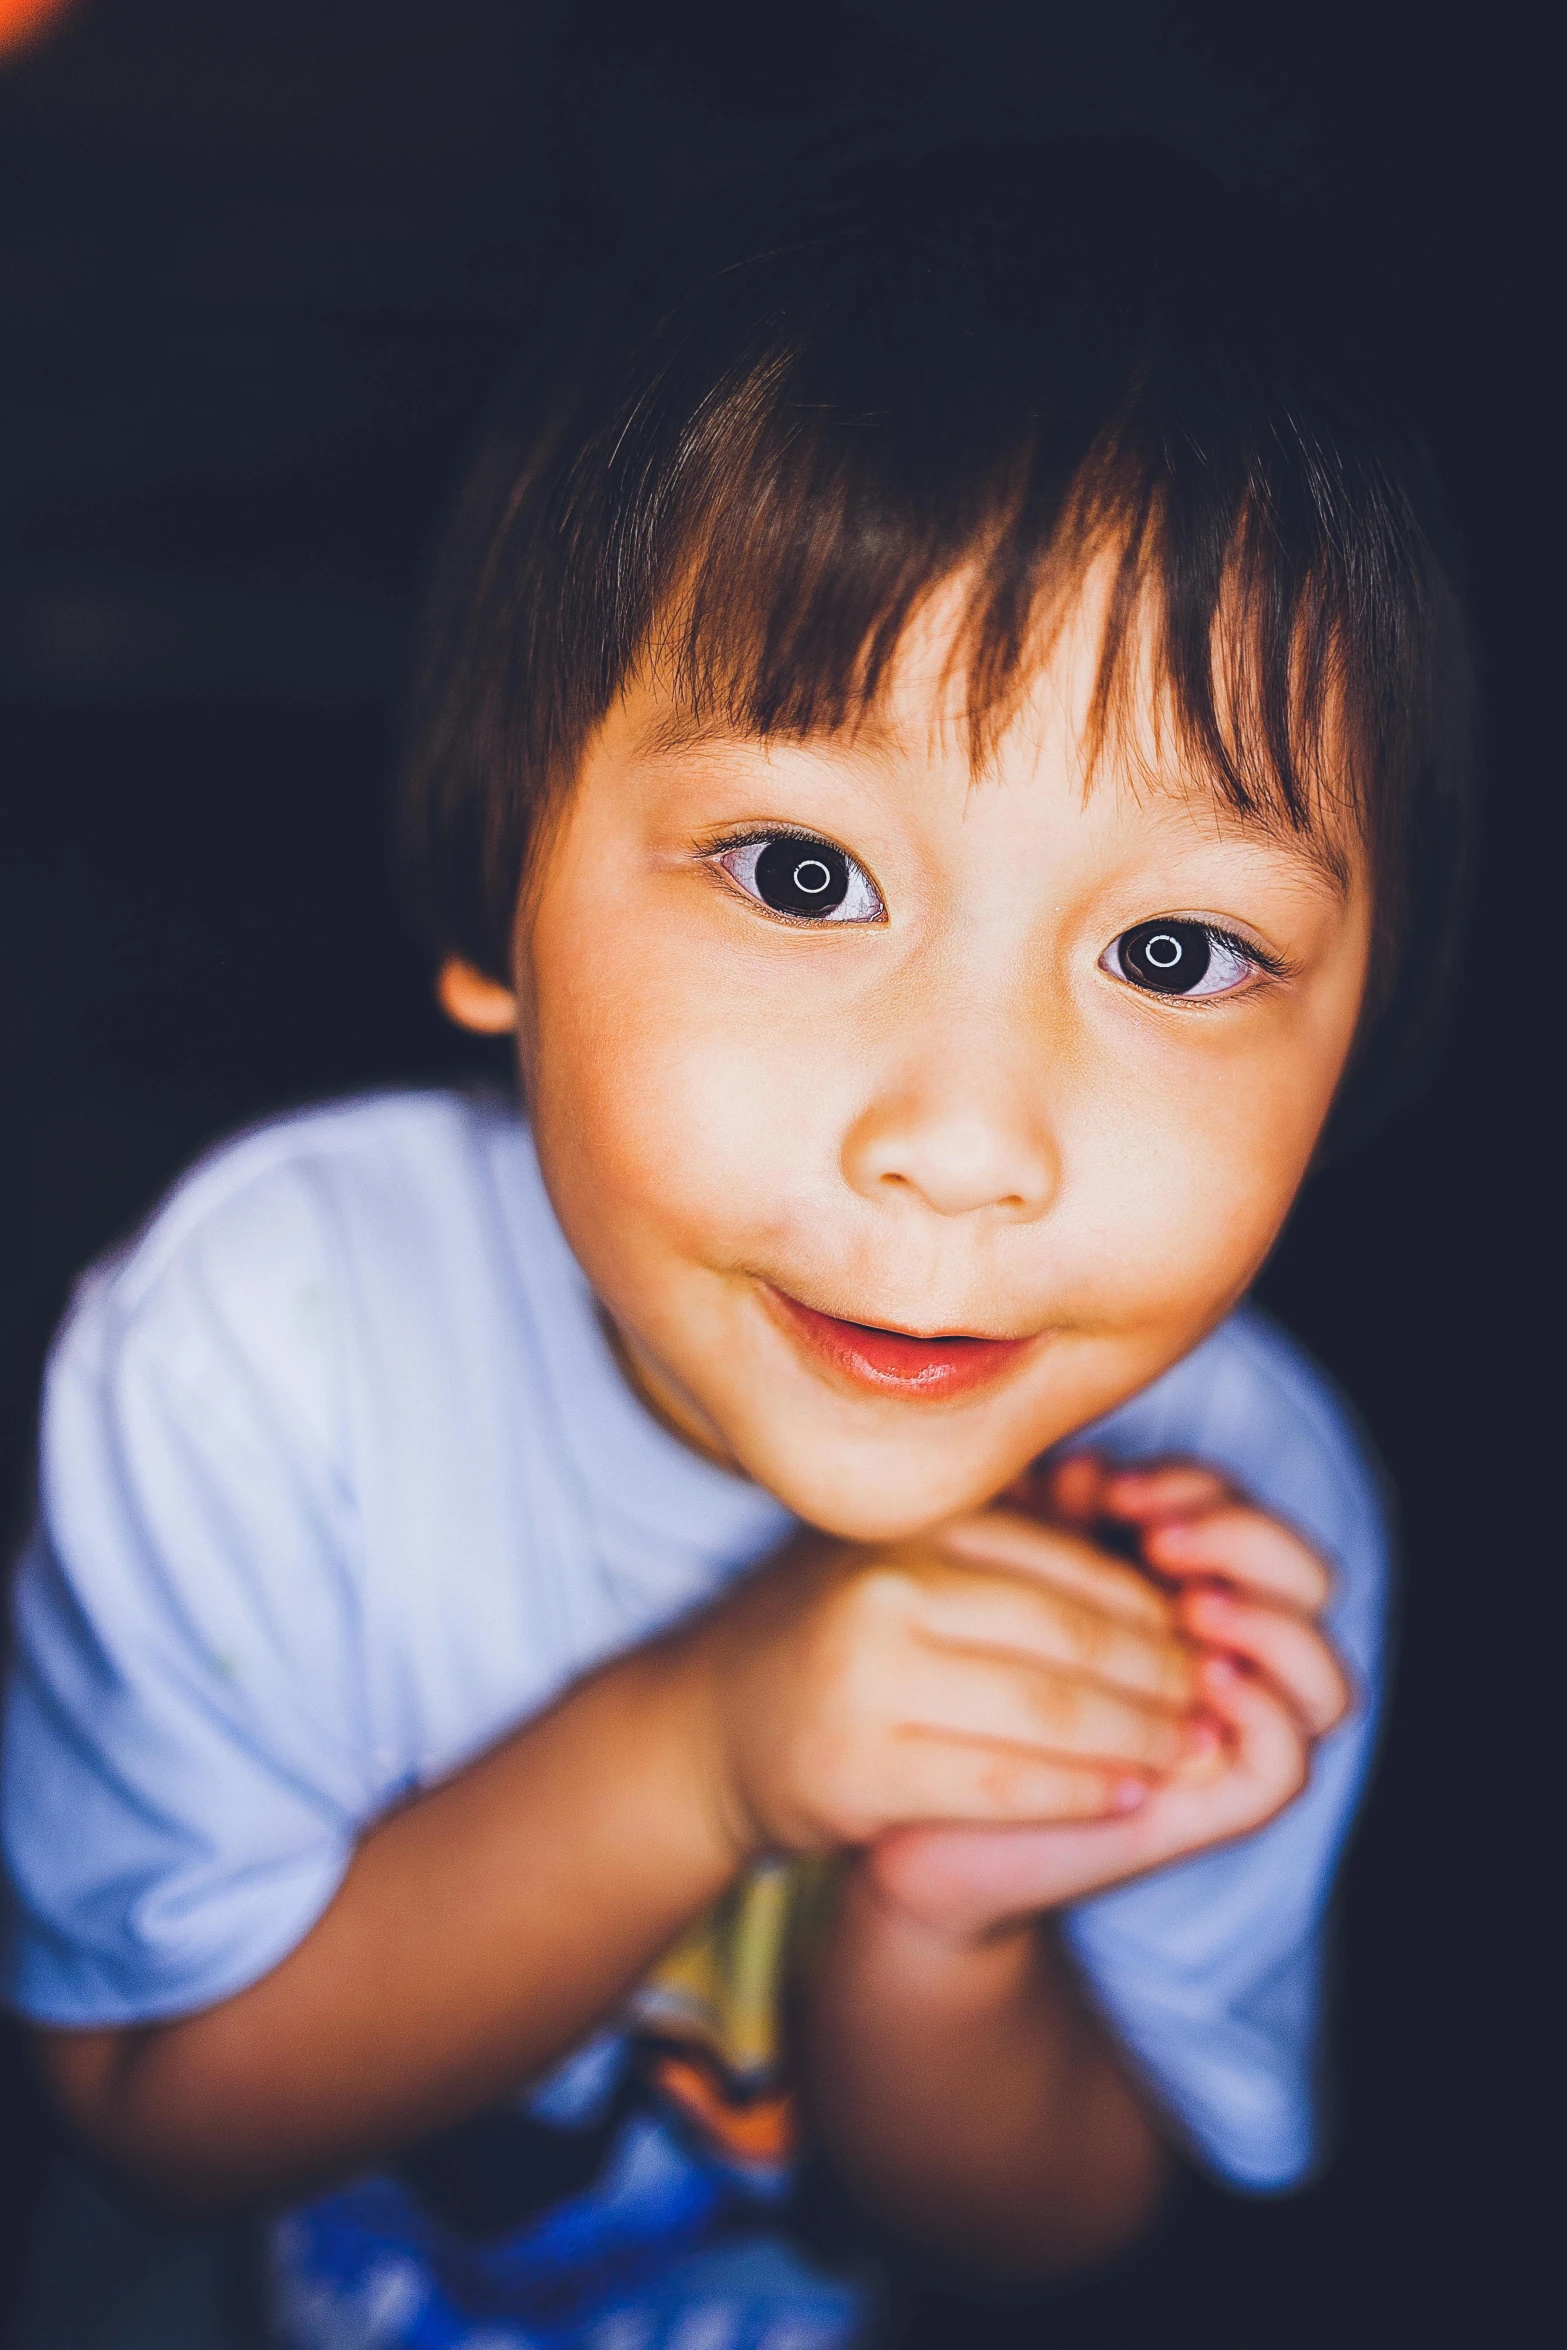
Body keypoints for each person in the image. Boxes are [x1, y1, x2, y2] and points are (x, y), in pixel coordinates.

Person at [1, 140, 1473, 2350]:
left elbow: (1065, 2233)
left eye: (1177, 946)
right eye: (802, 875)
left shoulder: (1238, 1528)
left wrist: (948, 1925)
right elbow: (152, 2109)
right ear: (506, 871)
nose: (965, 1143)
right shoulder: (267, 1351)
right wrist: (719, 1744)